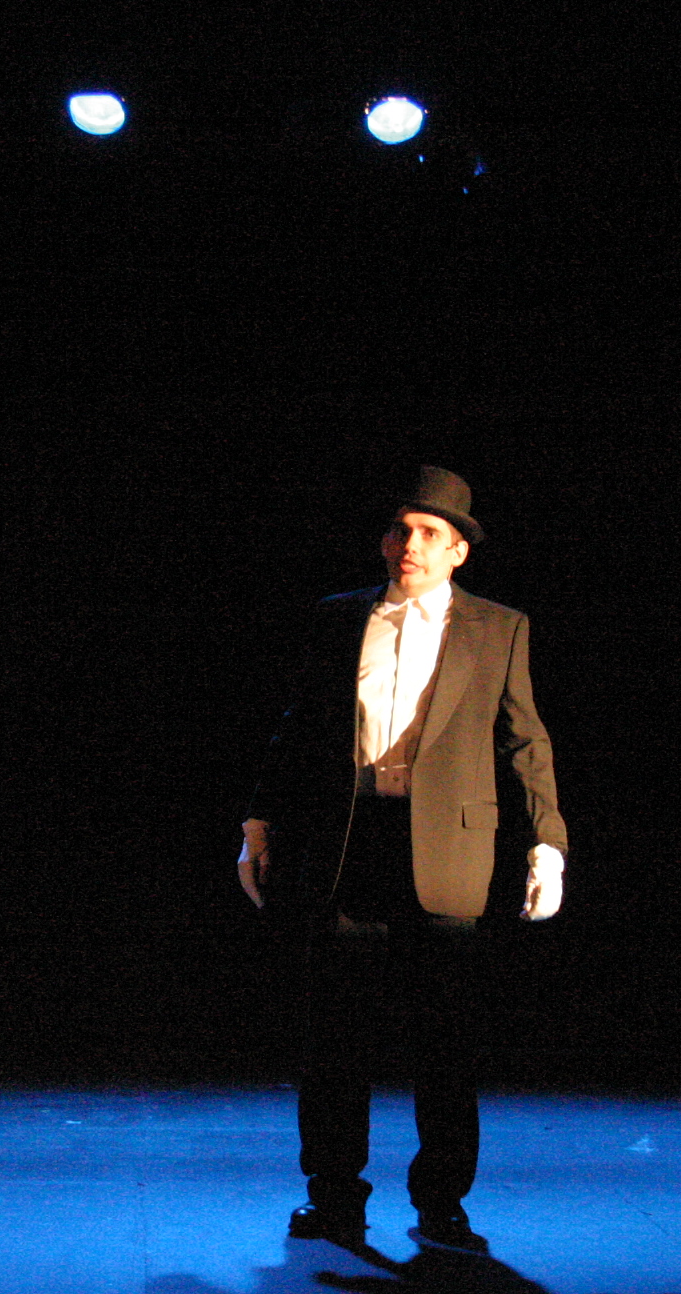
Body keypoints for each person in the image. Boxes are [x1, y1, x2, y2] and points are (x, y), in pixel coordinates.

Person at [237, 465, 567, 1254]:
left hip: (449, 847)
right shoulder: (338, 618)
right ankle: (333, 1196)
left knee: (444, 1040)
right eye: (399, 529)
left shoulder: (499, 627)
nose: (409, 544)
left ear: (458, 551)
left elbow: (524, 740)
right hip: (350, 839)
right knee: (334, 1038)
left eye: (428, 533)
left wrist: (547, 843)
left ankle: (442, 1201)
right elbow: (297, 726)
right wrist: (257, 821)